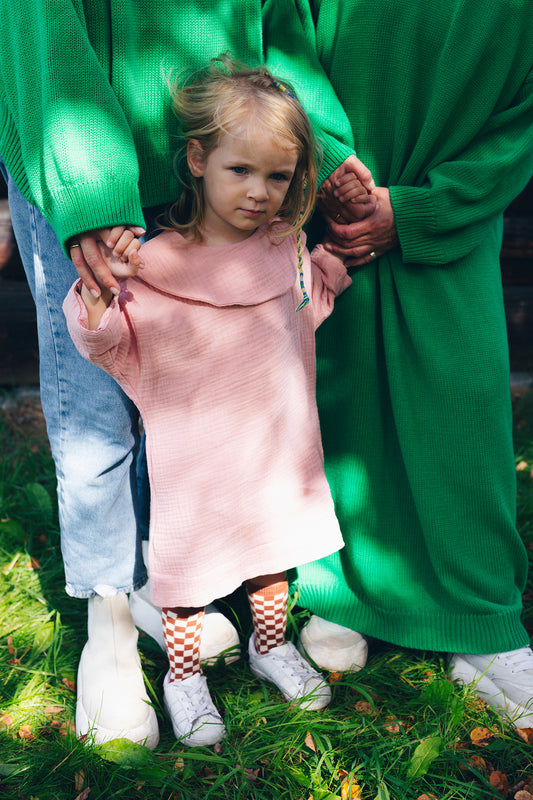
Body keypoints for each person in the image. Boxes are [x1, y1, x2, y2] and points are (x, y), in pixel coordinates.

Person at [0, 0, 372, 747]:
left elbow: (280, 19)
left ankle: (174, 594)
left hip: (226, 131)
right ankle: (110, 618)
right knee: (97, 417)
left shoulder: (268, 230)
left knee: (199, 419)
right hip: (85, 144)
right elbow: (40, 28)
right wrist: (90, 190)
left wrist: (323, 150)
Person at [267, 0, 533, 728]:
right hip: (327, 193)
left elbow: (524, 115)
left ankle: (478, 615)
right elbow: (281, 24)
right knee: (337, 392)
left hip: (455, 202)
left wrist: (426, 208)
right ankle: (341, 588)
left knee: (462, 405)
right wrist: (318, 152)